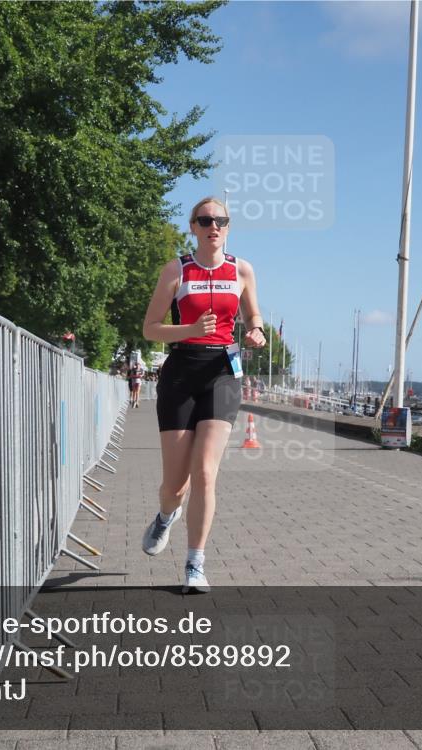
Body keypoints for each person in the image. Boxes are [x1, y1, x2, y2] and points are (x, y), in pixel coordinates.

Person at [141, 197, 266, 593]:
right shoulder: (176, 270)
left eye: (221, 220)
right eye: (206, 220)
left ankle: (195, 564)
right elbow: (150, 329)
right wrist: (189, 329)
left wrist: (257, 331)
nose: (214, 226)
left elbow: (254, 314)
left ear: (228, 228)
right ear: (193, 227)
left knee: (205, 474)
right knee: (174, 486)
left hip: (222, 374)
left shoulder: (242, 270)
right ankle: (165, 515)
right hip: (181, 373)